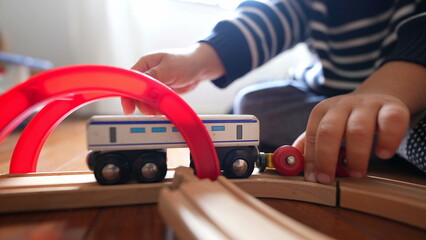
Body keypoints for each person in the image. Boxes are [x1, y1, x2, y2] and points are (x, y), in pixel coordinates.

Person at [122, 0, 426, 183]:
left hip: (406, 96)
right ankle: (352, 141)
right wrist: (196, 61)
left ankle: (381, 139)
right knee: (253, 102)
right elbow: (269, 18)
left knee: (400, 121)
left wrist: (383, 93)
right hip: (322, 97)